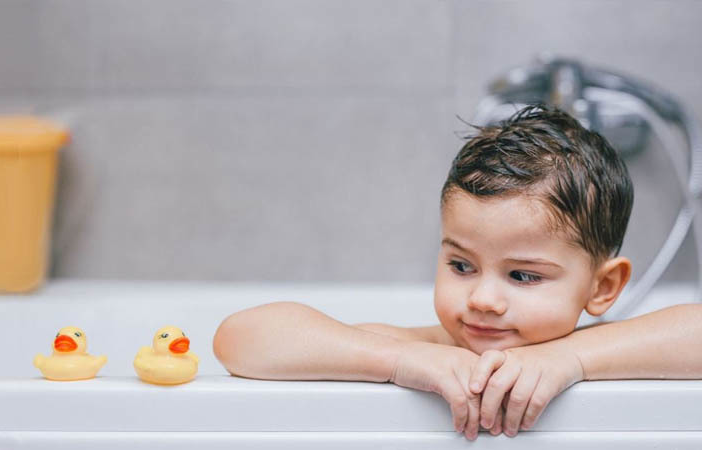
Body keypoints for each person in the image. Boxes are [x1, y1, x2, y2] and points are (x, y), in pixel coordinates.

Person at [212, 104, 702, 441]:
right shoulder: (414, 349)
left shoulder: (606, 355)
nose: (483, 299)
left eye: (523, 276)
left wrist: (570, 359)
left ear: (603, 287)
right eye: (461, 265)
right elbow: (241, 338)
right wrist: (400, 364)